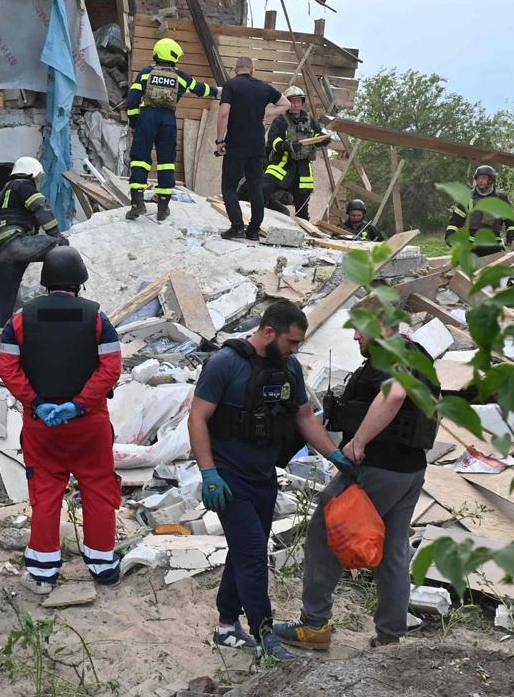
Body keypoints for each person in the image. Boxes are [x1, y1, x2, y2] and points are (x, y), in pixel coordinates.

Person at [188, 300, 352, 661]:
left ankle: (227, 626)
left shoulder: (288, 367)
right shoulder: (224, 364)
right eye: (292, 342)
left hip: (264, 477)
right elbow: (197, 418)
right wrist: (208, 472)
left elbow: (304, 416)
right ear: (268, 332)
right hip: (229, 480)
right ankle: (266, 638)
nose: (295, 349)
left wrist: (336, 456)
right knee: (253, 558)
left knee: (245, 551)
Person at [274, 322, 436, 651]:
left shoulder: (393, 354)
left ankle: (314, 625)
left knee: (325, 531)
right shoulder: (419, 357)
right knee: (392, 550)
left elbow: (395, 394)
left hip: (378, 467)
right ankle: (390, 638)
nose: (355, 335)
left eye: (361, 328)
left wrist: (359, 441)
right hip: (410, 470)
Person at [0, 245, 124, 592]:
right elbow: (111, 368)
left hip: (42, 426)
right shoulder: (97, 317)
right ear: (79, 282)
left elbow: (7, 369)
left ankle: (43, 569)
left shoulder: (20, 319)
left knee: (46, 491)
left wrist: (36, 403)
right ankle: (102, 566)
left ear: (45, 282)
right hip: (88, 424)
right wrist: (79, 404)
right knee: (98, 488)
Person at [126, 37, 219, 222]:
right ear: (173, 56)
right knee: (166, 162)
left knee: (139, 160)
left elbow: (132, 100)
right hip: (168, 120)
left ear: (157, 54)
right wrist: (220, 91)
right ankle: (162, 208)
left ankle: (137, 204)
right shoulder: (181, 77)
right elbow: (200, 89)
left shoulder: (146, 73)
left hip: (147, 118)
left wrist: (135, 122)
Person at [0, 156, 62, 346]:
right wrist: (56, 235)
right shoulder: (23, 185)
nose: (37, 182)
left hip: (2, 248)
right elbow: (40, 208)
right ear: (32, 172)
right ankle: (62, 302)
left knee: (3, 296)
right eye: (37, 177)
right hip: (17, 242)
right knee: (61, 249)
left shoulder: (3, 191)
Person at [216, 56, 284, 240]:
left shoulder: (231, 85)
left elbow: (224, 114)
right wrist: (265, 113)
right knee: (255, 187)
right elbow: (284, 103)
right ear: (252, 70)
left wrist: (219, 141)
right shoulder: (264, 87)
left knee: (229, 186)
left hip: (236, 143)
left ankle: (237, 226)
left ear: (235, 70)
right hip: (257, 145)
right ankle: (254, 231)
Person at [264, 87, 328, 221]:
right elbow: (273, 141)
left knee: (302, 209)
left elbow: (317, 136)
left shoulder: (310, 121)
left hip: (303, 170)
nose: (296, 104)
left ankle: (303, 232)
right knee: (263, 189)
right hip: (282, 165)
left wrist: (322, 140)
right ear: (286, 103)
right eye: (292, 101)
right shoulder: (281, 120)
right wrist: (288, 146)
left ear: (302, 102)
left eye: (298, 101)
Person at [445, 165, 514, 258]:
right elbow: (456, 220)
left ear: (491, 180)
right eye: (478, 178)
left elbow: (510, 221)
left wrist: (511, 233)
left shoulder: (501, 198)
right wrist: (450, 234)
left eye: (484, 177)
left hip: (494, 247)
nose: (480, 180)